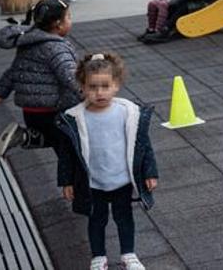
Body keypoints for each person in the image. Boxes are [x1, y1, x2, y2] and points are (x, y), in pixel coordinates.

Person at [57, 52, 158, 270]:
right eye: (92, 87)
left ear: (116, 85)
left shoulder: (128, 113)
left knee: (124, 218)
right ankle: (98, 257)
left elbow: (142, 144)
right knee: (96, 220)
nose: (99, 92)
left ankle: (129, 254)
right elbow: (67, 153)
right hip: (93, 183)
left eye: (105, 86)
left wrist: (150, 172)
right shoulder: (75, 118)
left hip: (121, 180)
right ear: (82, 87)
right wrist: (66, 181)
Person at [0, 0, 81, 159]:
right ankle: (73, 180)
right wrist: (88, 93)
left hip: (31, 112)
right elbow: (70, 76)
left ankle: (24, 136)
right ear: (58, 24)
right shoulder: (56, 48)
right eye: (69, 17)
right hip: (54, 109)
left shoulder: (28, 43)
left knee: (51, 139)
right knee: (70, 145)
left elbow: (14, 71)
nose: (71, 20)